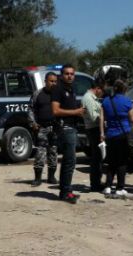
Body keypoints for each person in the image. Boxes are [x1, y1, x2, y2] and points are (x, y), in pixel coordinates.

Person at [51, 64, 86, 204]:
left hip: (72, 126)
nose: (70, 76)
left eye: (72, 74)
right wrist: (75, 112)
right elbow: (55, 110)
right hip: (64, 128)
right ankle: (65, 192)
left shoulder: (71, 89)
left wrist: (79, 112)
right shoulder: (58, 88)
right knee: (69, 161)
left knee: (69, 161)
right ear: (61, 75)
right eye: (67, 73)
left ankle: (66, 190)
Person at [101, 80, 133, 196]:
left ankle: (108, 186)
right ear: (124, 89)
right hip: (123, 134)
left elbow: (102, 118)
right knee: (122, 162)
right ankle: (120, 188)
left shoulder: (106, 101)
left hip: (110, 134)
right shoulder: (127, 101)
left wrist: (102, 133)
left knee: (111, 161)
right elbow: (132, 118)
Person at [28, 72, 60, 186]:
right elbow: (31, 109)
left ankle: (51, 177)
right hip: (42, 128)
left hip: (55, 128)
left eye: (55, 81)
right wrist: (33, 123)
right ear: (45, 81)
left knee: (53, 152)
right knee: (40, 153)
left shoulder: (58, 94)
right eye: (51, 81)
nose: (53, 83)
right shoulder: (38, 94)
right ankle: (38, 178)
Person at [81, 80, 105, 192]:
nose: (102, 93)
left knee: (98, 157)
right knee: (96, 157)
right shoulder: (89, 98)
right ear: (97, 88)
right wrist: (104, 116)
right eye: (102, 90)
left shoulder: (92, 98)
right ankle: (95, 184)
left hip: (94, 129)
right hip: (93, 129)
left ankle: (97, 182)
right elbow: (94, 117)